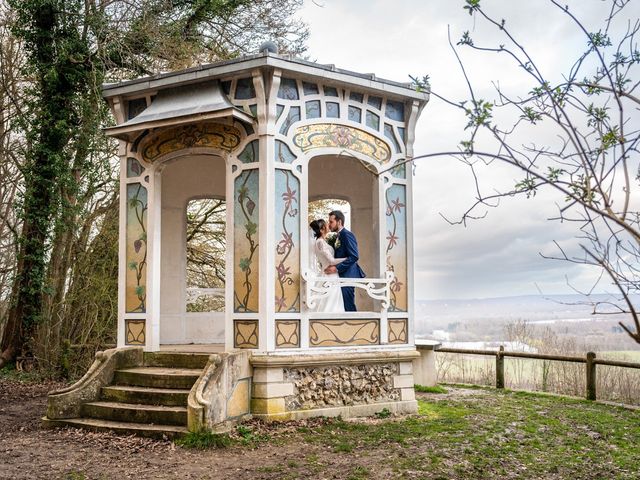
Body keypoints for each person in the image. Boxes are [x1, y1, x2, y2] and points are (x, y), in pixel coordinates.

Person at [324, 210, 365, 311]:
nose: (329, 225)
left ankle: (354, 325)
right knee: (341, 304)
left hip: (348, 275)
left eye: (331, 222)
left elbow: (354, 256)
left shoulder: (347, 235)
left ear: (339, 222)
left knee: (348, 304)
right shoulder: (338, 236)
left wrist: (336, 269)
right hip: (340, 276)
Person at [308, 219, 346, 313]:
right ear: (321, 230)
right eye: (326, 224)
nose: (328, 225)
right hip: (328, 274)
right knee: (329, 302)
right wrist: (347, 259)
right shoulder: (320, 242)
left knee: (333, 301)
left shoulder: (322, 242)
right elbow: (332, 261)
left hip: (330, 274)